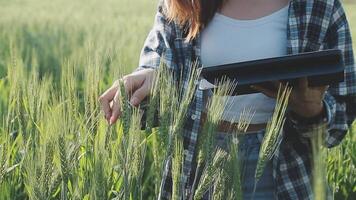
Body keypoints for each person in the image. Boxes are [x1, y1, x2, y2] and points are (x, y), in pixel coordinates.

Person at [99, 0, 355, 199]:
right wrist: (152, 72)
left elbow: (339, 121)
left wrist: (311, 112)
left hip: (282, 168)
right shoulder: (184, 2)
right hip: (195, 160)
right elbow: (160, 53)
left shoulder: (320, 6)